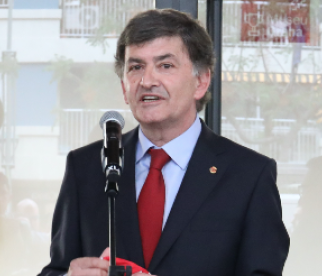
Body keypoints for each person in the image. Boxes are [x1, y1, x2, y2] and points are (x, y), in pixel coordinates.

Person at [38, 9, 289, 276]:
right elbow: (57, 268)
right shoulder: (86, 167)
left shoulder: (249, 175)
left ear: (201, 81)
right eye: (136, 68)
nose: (147, 81)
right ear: (124, 88)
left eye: (165, 66)